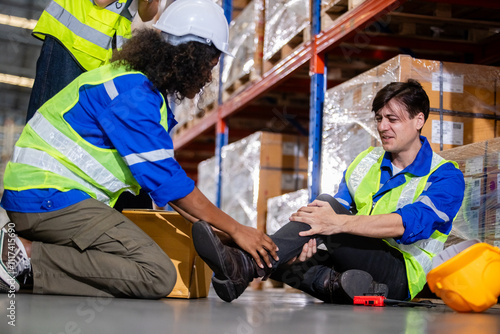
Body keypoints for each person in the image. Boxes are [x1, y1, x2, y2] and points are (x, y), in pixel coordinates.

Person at [0, 0, 278, 298]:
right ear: (189, 57)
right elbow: (169, 184)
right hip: (47, 200)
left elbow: (166, 188)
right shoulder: (133, 95)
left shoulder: (132, 83)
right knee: (155, 273)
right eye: (208, 66)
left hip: (47, 197)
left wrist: (227, 236)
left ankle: (28, 258)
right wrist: (237, 229)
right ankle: (22, 256)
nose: (208, 78)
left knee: (133, 260)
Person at [191, 79, 465, 303]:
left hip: (401, 275)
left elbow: (409, 224)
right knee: (289, 258)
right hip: (361, 260)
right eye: (379, 118)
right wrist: (315, 236)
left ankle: (247, 264)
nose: (382, 127)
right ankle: (338, 285)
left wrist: (334, 223)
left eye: (392, 119)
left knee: (320, 213)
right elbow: (336, 210)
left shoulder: (445, 175)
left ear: (419, 120)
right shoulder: (367, 161)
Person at [26, 0, 160, 123]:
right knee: (48, 120)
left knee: (73, 127)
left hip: (105, 53)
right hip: (70, 42)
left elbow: (147, 14)